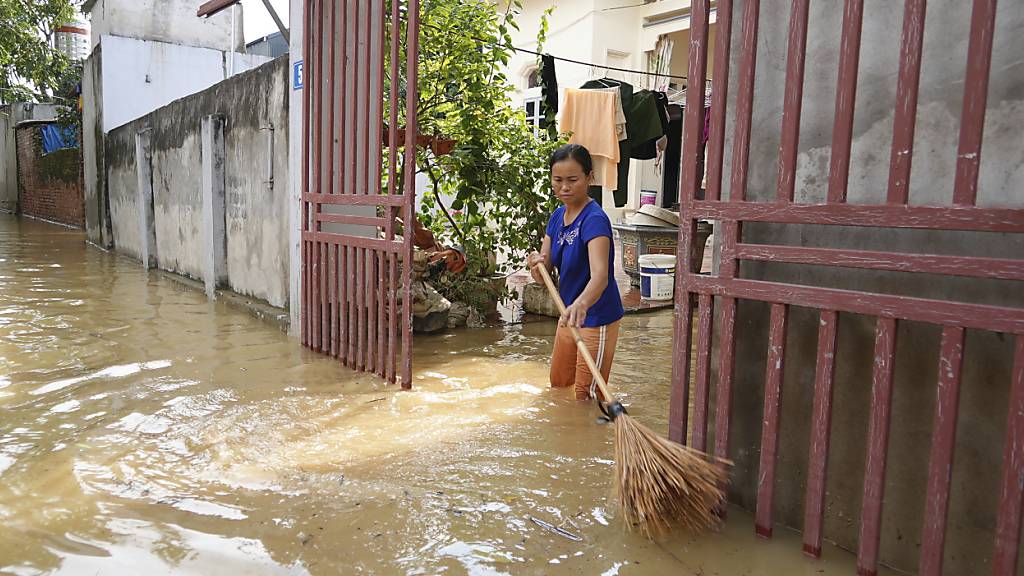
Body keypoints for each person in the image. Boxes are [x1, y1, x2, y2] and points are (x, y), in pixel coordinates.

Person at [527, 144, 624, 401]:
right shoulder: (557, 217)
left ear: (590, 177)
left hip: (596, 316)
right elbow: (543, 273)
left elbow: (600, 275)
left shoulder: (594, 220)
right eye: (558, 180)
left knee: (586, 397)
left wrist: (582, 303)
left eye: (573, 180)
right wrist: (536, 265)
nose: (564, 187)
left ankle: (590, 438)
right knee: (558, 385)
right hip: (569, 314)